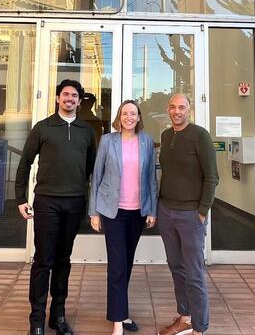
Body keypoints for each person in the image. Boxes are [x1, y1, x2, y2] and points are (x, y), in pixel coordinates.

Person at [15, 79, 97, 335]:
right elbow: (25, 162)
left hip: (74, 202)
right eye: (66, 94)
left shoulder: (87, 131)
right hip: (46, 202)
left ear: (79, 101)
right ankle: (37, 320)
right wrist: (20, 198)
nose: (70, 99)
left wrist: (95, 204)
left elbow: (94, 170)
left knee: (63, 260)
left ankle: (58, 315)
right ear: (58, 98)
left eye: (74, 96)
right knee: (43, 260)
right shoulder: (43, 127)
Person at [89, 100, 158, 335]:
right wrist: (93, 212)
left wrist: (152, 209)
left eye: (133, 113)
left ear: (139, 118)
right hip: (113, 212)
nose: (129, 117)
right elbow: (96, 175)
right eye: (125, 113)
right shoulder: (108, 141)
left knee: (127, 262)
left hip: (138, 212)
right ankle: (118, 322)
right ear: (119, 117)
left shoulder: (147, 141)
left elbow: (151, 177)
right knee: (117, 265)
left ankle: (122, 310)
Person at [156, 94, 219, 335]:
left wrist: (202, 211)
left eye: (181, 107)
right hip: (167, 212)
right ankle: (185, 318)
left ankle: (199, 328)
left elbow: (212, 177)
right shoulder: (166, 135)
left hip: (191, 215)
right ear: (168, 109)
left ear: (189, 110)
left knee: (194, 273)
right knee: (176, 268)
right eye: (173, 107)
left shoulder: (200, 136)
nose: (177, 111)